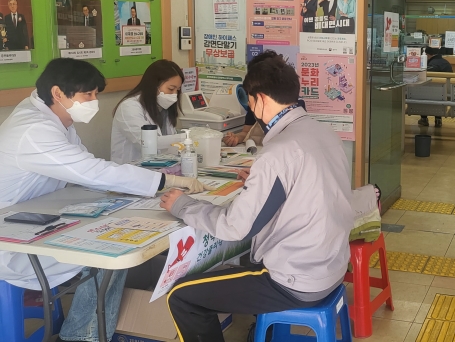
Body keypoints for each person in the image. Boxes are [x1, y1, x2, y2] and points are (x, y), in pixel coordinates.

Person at [0, 58, 208, 342]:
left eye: (96, 93)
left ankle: (89, 330)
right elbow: (91, 171)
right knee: (107, 256)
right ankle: (82, 337)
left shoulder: (52, 117)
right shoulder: (35, 130)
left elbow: (85, 165)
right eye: (88, 94)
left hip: (37, 215)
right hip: (11, 236)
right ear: (59, 93)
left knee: (113, 241)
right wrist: (166, 181)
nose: (94, 101)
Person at [160, 52, 354, 342]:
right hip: (331, 265)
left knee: (181, 295)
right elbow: (311, 186)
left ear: (260, 99)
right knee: (241, 266)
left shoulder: (279, 152)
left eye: (249, 100)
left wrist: (182, 205)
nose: (250, 107)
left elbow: (235, 227)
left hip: (295, 280)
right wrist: (261, 181)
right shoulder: (322, 132)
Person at [111, 60, 186, 164]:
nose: (174, 94)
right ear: (154, 84)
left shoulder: (162, 107)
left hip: (159, 168)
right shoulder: (129, 107)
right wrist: (185, 137)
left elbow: (168, 142)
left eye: (177, 90)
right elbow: (147, 142)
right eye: (171, 88)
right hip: (131, 170)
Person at [419, 46, 453, 128]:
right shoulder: (446, 62)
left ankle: (424, 118)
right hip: (446, 93)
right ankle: (438, 118)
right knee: (436, 92)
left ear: (427, 55)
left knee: (421, 92)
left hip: (431, 94)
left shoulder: (431, 65)